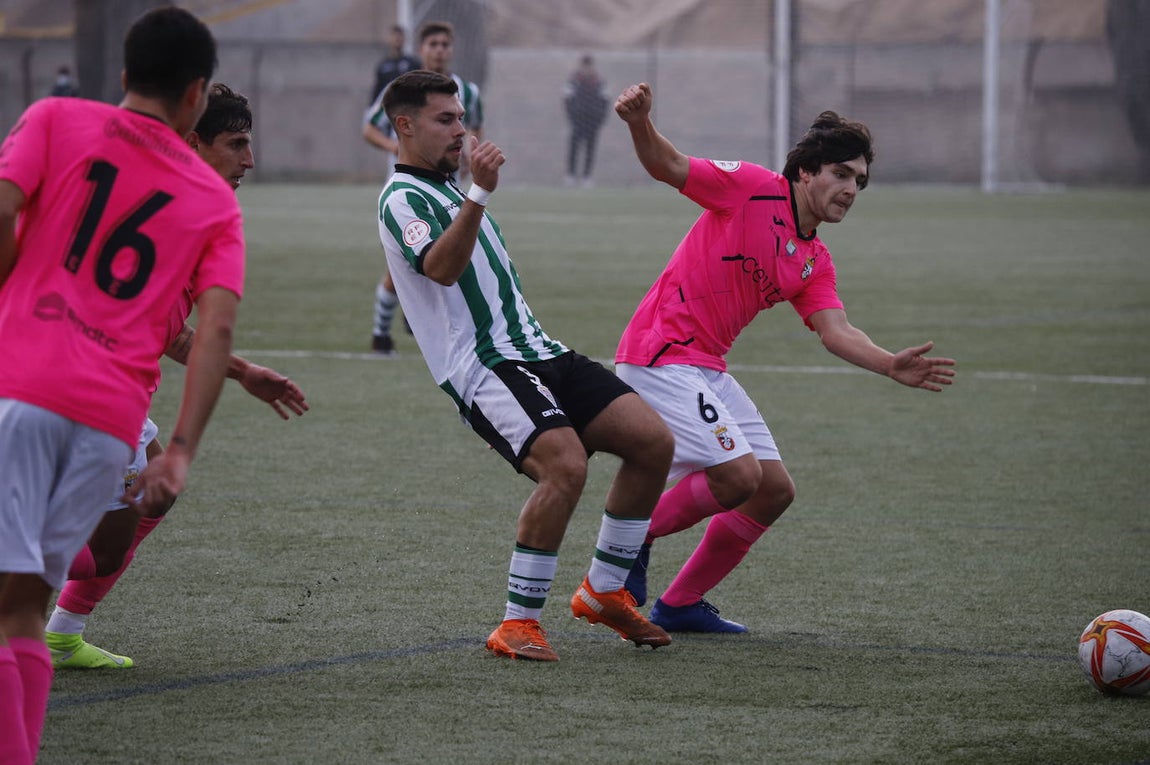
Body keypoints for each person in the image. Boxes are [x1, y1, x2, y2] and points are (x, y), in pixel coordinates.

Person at [613, 83, 957, 633]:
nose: (851, 189)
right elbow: (668, 164)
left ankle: (679, 606)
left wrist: (889, 363)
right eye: (841, 174)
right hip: (660, 354)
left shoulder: (814, 260)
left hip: (706, 366)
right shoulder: (752, 187)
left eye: (860, 182)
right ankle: (631, 539)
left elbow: (836, 330)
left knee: (773, 490)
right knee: (738, 476)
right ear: (806, 172)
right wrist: (640, 122)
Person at [0, 8, 244, 761]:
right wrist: (177, 452)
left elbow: (3, 210)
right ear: (197, 94)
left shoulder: (54, 119)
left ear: (124, 74)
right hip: (109, 421)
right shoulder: (213, 203)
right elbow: (215, 331)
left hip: (21, 382)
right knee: (21, 614)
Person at [376, 70, 675, 662]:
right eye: (445, 120)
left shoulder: (447, 189)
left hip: (541, 349)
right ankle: (517, 624)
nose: (460, 130)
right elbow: (439, 268)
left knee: (653, 442)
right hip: (486, 367)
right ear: (404, 126)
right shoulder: (402, 198)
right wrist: (479, 194)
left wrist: (471, 193)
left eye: (460, 118)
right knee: (564, 468)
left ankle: (605, 591)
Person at [44, 83, 308, 671]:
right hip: (86, 390)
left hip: (85, 382)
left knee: (154, 499)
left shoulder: (148, 186)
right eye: (236, 144)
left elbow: (171, 330)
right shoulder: (194, 214)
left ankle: (62, 631)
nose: (250, 160)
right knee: (105, 549)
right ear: (194, 141)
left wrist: (244, 372)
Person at [368, 20, 482, 356]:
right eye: (433, 45)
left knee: (453, 257)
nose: (440, 51)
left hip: (452, 188)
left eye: (445, 45)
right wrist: (397, 148)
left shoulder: (469, 91)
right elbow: (370, 128)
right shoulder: (403, 91)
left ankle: (432, 325)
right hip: (413, 189)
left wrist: (473, 157)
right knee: (404, 264)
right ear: (421, 50)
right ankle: (380, 331)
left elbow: (476, 129)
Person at [563, 55, 609, 187]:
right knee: (574, 148)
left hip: (593, 122)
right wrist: (572, 117)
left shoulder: (599, 82)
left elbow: (605, 101)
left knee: (590, 149)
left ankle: (587, 177)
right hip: (577, 121)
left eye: (588, 66)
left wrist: (600, 119)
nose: (586, 69)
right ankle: (570, 175)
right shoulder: (573, 81)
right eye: (584, 66)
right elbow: (567, 100)